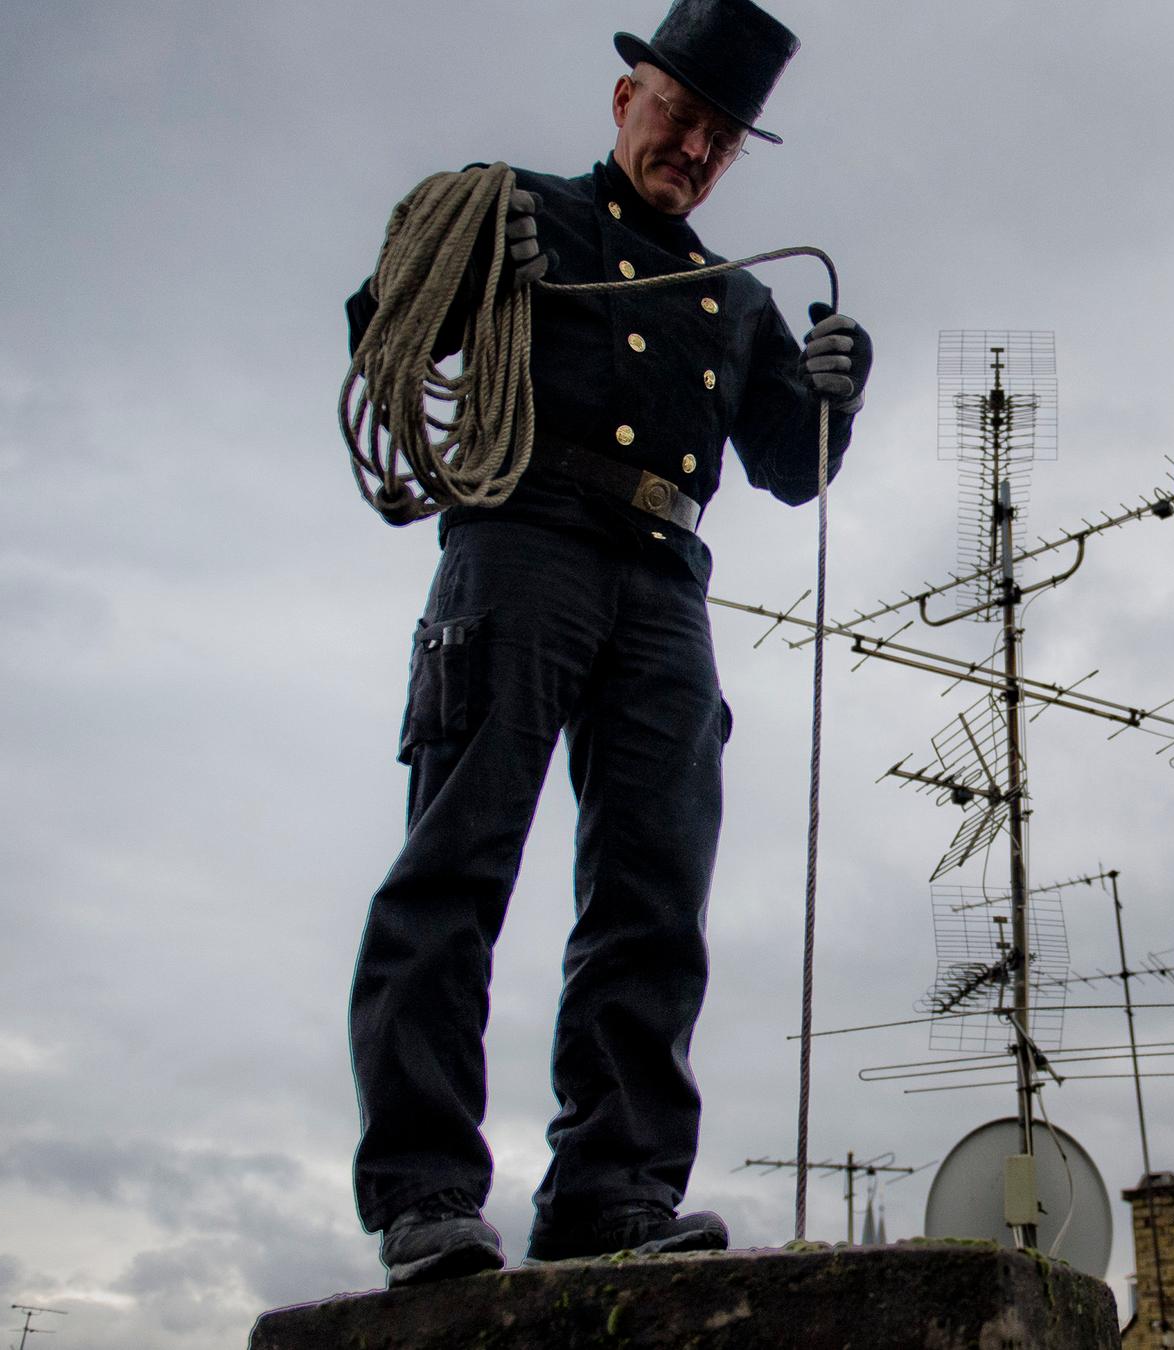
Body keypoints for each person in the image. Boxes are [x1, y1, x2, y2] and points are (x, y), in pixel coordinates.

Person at [340, 0, 872, 1288]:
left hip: (664, 583)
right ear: (627, 100)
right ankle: (424, 1192)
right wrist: (474, 265)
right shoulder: (516, 207)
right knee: (456, 859)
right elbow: (383, 328)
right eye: (679, 115)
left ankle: (611, 1192)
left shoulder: (732, 299)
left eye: (720, 137)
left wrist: (836, 397)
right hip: (518, 542)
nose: (692, 147)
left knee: (653, 892)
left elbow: (788, 473)